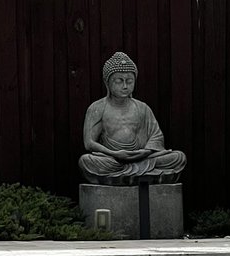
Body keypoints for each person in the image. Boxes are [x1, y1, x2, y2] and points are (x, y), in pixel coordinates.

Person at [79, 51, 187, 185]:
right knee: (86, 161)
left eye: (129, 81)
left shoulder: (142, 108)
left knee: (178, 158)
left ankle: (126, 176)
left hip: (143, 158)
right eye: (119, 81)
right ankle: (135, 175)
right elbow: (89, 142)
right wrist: (116, 154)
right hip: (113, 160)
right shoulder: (97, 108)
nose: (125, 86)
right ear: (107, 83)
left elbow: (156, 137)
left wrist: (144, 152)